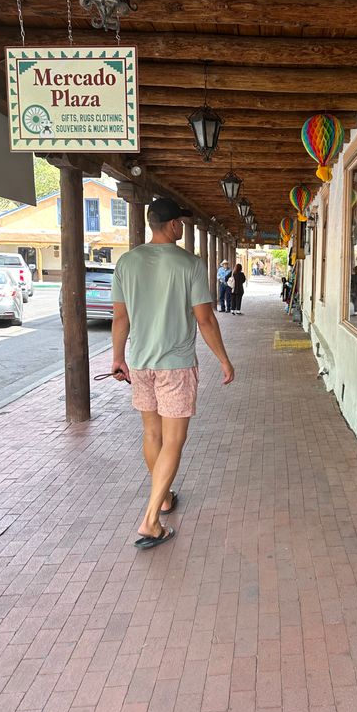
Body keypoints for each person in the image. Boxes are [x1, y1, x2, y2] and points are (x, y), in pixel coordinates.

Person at [111, 197, 234, 550]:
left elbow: (121, 317)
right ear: (174, 225)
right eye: (180, 221)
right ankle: (151, 519)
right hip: (175, 365)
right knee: (175, 440)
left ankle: (163, 499)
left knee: (152, 433)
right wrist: (224, 360)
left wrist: (118, 357)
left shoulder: (126, 262)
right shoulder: (189, 264)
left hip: (140, 361)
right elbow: (205, 318)